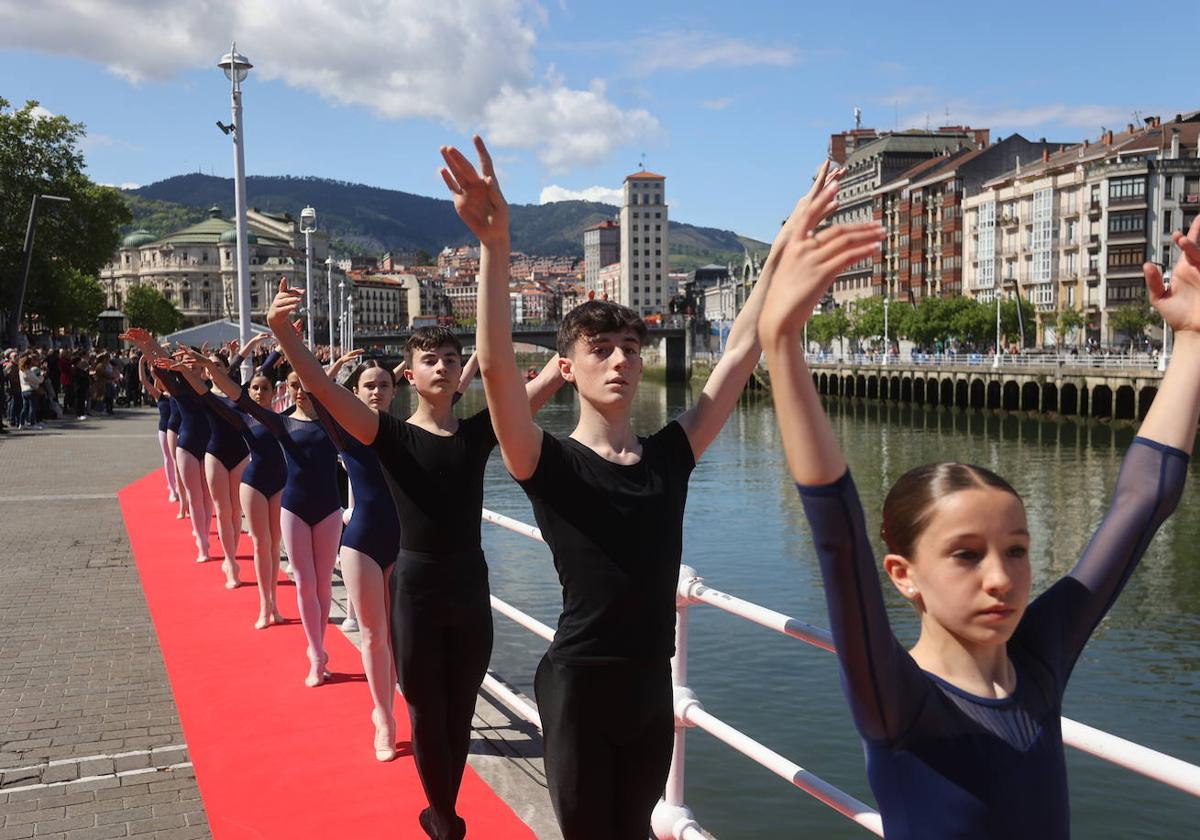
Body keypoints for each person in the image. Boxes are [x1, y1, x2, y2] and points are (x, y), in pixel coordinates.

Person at [757, 180, 1200, 838]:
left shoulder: (1039, 660)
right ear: (904, 574)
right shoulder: (902, 703)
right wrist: (782, 344)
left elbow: (1142, 502)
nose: (1002, 578)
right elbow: (839, 538)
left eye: (1016, 550)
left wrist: (1192, 340)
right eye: (965, 555)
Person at [443, 137, 846, 839]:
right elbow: (500, 369)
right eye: (600, 350)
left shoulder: (672, 454)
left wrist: (785, 239)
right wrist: (494, 247)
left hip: (648, 686)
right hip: (578, 684)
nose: (622, 361)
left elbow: (744, 345)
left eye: (631, 348)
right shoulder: (547, 462)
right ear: (566, 369)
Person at [265, 279, 565, 838]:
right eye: (431, 359)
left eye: (452, 359)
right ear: (411, 375)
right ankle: (445, 816)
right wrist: (284, 334)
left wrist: (566, 359)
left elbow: (538, 387)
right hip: (417, 591)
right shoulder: (389, 436)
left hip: (469, 588)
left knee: (459, 710)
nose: (445, 367)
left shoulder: (480, 434)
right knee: (427, 711)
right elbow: (325, 393)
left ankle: (443, 812)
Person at [182, 347, 289, 629]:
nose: (258, 392)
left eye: (264, 388)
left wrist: (285, 347)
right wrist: (191, 368)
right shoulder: (241, 417)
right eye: (254, 388)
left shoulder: (285, 418)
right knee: (258, 541)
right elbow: (206, 394)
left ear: (274, 393)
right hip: (252, 482)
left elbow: (316, 392)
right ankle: (264, 604)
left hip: (278, 483)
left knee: (274, 543)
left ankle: (274, 602)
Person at [139, 357, 179, 504]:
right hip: (164, 430)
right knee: (168, 459)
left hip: (178, 430)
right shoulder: (159, 396)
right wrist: (142, 363)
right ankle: (173, 491)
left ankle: (179, 487)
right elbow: (144, 381)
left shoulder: (177, 395)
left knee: (178, 461)